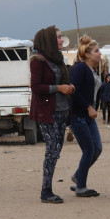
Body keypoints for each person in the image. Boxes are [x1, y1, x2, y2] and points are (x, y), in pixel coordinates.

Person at [29, 25, 75, 204]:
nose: (62, 40)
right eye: (58, 37)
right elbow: (36, 87)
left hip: (62, 110)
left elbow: (63, 83)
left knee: (56, 151)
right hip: (48, 112)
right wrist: (59, 88)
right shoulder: (38, 61)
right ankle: (46, 191)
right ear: (48, 40)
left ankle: (47, 189)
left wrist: (69, 88)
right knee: (52, 151)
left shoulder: (57, 60)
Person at [69, 34, 103, 198]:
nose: (100, 53)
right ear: (87, 54)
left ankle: (78, 176)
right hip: (78, 115)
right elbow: (73, 90)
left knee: (97, 149)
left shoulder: (91, 69)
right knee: (89, 149)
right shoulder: (80, 68)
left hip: (88, 115)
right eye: (96, 51)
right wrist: (88, 106)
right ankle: (81, 186)